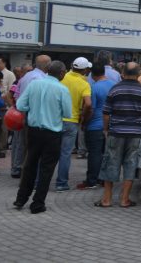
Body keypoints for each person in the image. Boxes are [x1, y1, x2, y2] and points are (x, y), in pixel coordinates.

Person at [14, 61, 73, 214]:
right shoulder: (62, 89)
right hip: (52, 133)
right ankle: (37, 203)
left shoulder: (34, 84)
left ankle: (21, 198)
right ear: (61, 73)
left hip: (33, 130)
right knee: (46, 169)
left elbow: (20, 105)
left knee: (30, 165)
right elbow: (67, 113)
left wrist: (33, 109)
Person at [95, 62, 141, 208]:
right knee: (131, 164)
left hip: (116, 132)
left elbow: (106, 113)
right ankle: (124, 199)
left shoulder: (115, 89)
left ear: (123, 73)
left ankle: (106, 199)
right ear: (139, 74)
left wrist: (106, 129)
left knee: (110, 164)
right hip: (136, 134)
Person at [55, 56, 93, 192]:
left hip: (56, 120)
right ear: (84, 70)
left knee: (49, 152)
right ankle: (61, 183)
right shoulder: (84, 83)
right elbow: (88, 103)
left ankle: (38, 182)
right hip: (72, 121)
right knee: (65, 154)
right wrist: (84, 117)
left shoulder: (62, 77)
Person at [11, 55, 49, 177]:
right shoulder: (39, 79)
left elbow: (17, 97)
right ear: (47, 65)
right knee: (30, 146)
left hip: (23, 113)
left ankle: (18, 168)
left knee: (21, 144)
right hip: (31, 115)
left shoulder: (26, 76)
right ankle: (25, 172)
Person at [78, 64, 114, 190]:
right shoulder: (114, 85)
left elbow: (90, 109)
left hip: (95, 125)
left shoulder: (93, 87)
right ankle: (104, 179)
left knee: (94, 154)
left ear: (92, 75)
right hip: (111, 125)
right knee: (106, 153)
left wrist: (84, 122)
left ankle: (92, 180)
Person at [0, 57, 15, 159]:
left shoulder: (9, 74)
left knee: (3, 130)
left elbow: (11, 91)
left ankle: (2, 149)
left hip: (4, 107)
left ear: (4, 63)